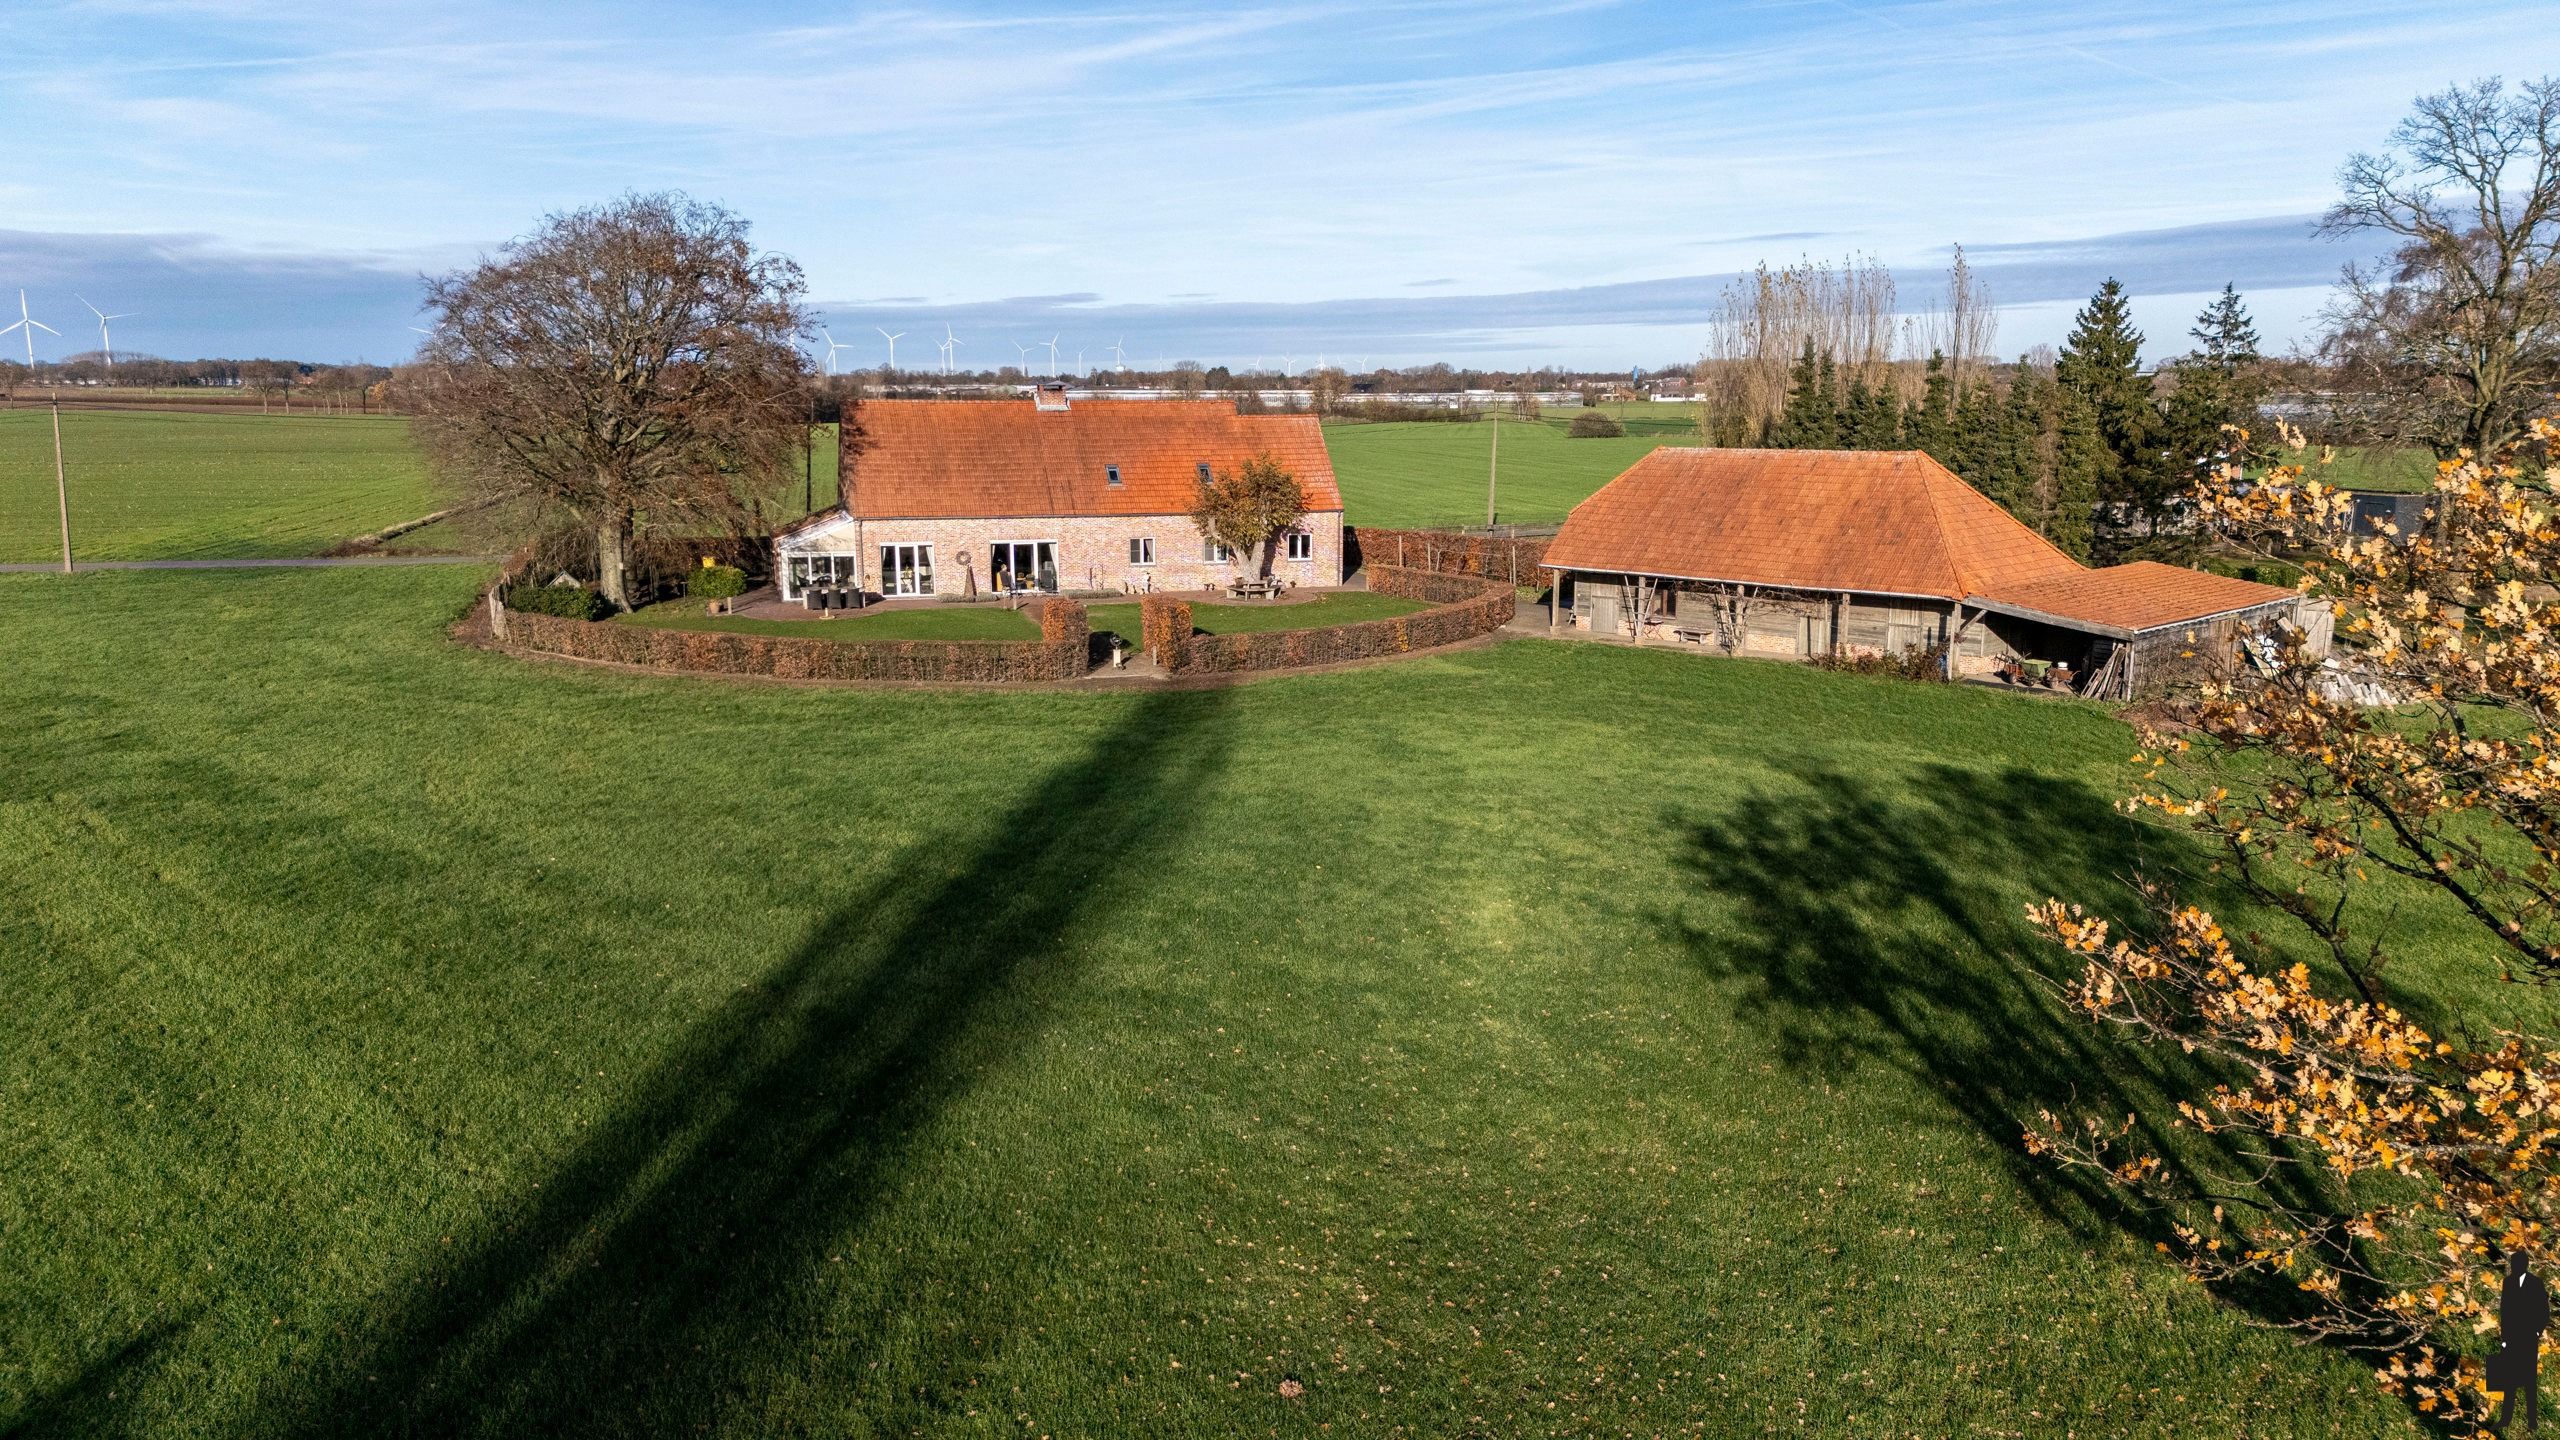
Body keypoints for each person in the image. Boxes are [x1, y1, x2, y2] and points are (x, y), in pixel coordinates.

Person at [2496, 1250, 2550, 1433]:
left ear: (2525, 1265)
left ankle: (2532, 1421)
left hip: (2528, 1337)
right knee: (2509, 1379)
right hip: (2511, 1338)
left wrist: (2537, 1331)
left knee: (2529, 1381)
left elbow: (2544, 1310)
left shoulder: (2536, 1283)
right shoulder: (2508, 1282)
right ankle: (2505, 1418)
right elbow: (2505, 1311)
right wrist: (2504, 1339)